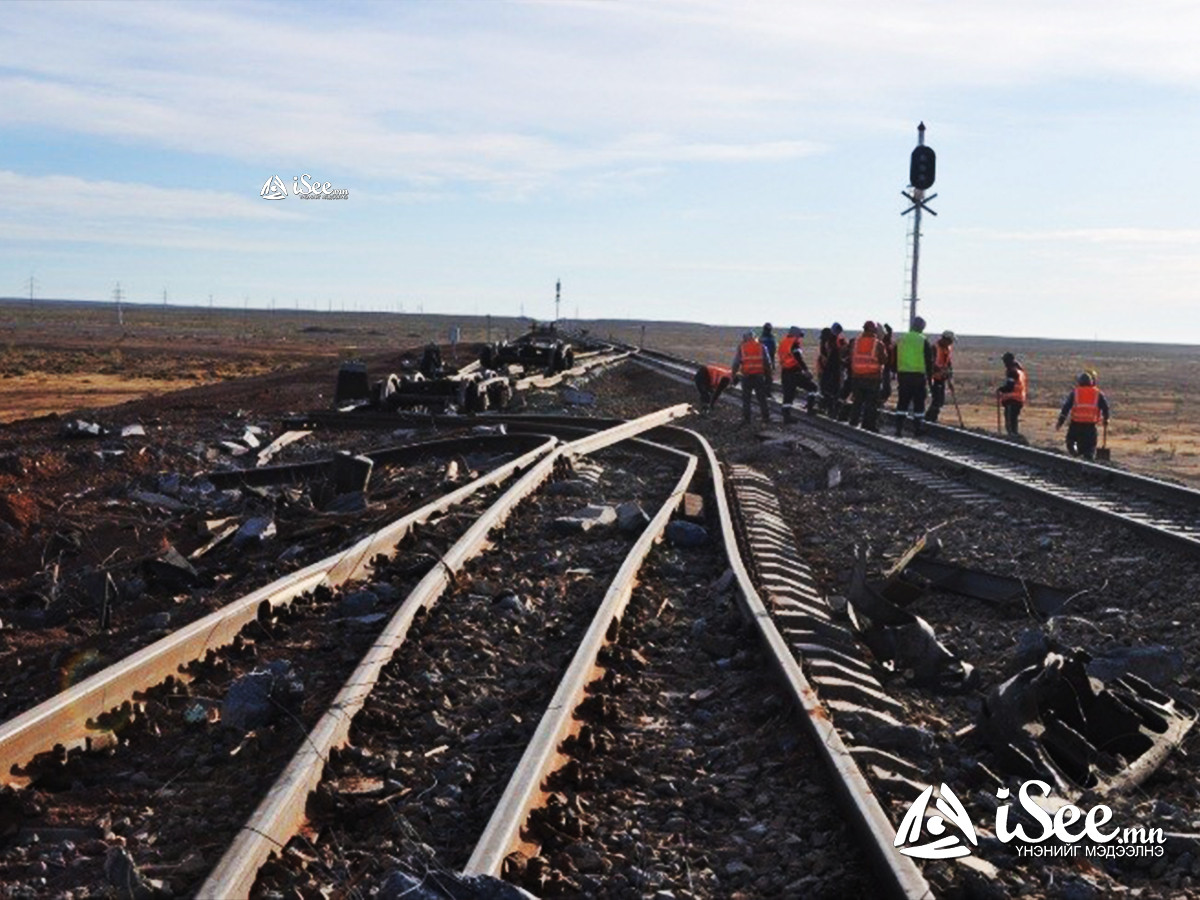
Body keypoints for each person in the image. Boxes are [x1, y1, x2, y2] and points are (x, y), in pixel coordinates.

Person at [892, 317, 934, 437]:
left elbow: (894, 357)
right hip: (918, 376)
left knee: (902, 402)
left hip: (903, 375)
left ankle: (898, 429)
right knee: (919, 403)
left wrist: (895, 372)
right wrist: (930, 378)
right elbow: (929, 361)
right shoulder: (923, 340)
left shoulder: (901, 339)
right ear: (921, 327)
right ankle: (917, 429)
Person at [1056, 372, 1110, 460]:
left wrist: (1060, 422)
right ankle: (1088, 462)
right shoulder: (1097, 393)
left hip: (1076, 425)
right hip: (1090, 427)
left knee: (1071, 442)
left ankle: (1076, 454)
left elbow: (1066, 407)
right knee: (1090, 447)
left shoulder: (1075, 392)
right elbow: (1105, 407)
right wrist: (1106, 419)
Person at [847, 321, 888, 431]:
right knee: (871, 404)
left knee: (857, 402)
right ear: (874, 330)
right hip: (872, 378)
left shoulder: (855, 342)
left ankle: (853, 423)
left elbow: (851, 357)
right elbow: (884, 360)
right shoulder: (878, 344)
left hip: (857, 377)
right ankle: (868, 425)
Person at [777, 326, 816, 423]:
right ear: (795, 335)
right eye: (799, 336)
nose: (800, 338)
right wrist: (806, 371)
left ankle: (786, 417)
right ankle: (810, 409)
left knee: (788, 395)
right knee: (813, 387)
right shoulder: (794, 343)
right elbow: (798, 358)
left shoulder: (783, 342)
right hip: (794, 372)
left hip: (785, 372)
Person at [732, 330, 770, 425]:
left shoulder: (742, 347)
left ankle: (747, 419)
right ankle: (765, 418)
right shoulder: (762, 347)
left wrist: (733, 374)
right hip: (759, 376)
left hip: (747, 377)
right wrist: (768, 376)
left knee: (746, 399)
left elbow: (736, 363)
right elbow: (767, 362)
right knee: (762, 398)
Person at [817, 323, 847, 417]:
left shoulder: (831, 342)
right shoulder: (834, 342)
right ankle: (829, 409)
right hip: (832, 370)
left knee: (828, 390)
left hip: (829, 370)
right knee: (832, 391)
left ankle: (827, 408)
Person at [926, 331, 955, 423]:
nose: (951, 343)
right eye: (950, 340)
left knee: (940, 401)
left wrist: (950, 377)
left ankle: (932, 419)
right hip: (933, 378)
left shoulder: (948, 348)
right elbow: (930, 363)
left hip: (942, 378)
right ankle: (929, 419)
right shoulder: (934, 348)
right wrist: (939, 369)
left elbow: (949, 364)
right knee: (937, 400)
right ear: (945, 339)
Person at [996, 352, 1028, 436]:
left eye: (1005, 361)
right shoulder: (1019, 370)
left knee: (1010, 423)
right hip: (1019, 399)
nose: (1004, 364)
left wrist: (1001, 389)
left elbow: (1010, 386)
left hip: (1012, 399)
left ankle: (1013, 439)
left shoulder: (1012, 372)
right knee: (1013, 421)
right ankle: (1015, 438)